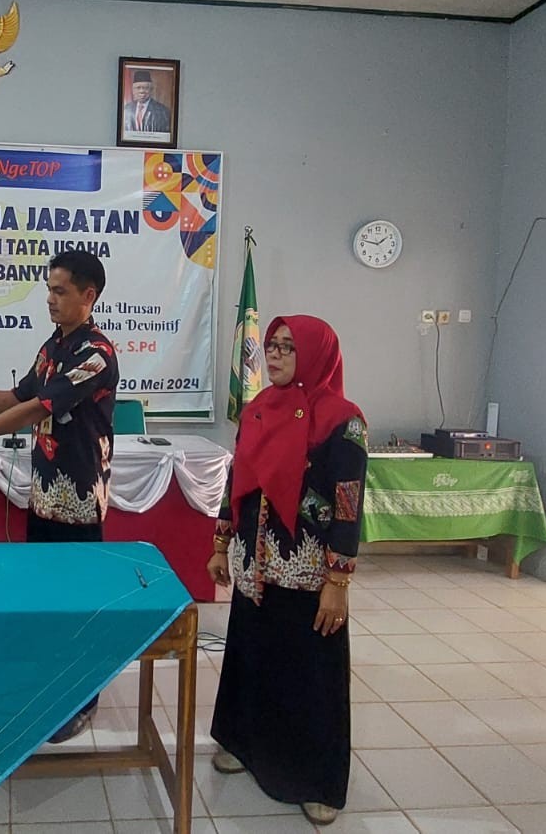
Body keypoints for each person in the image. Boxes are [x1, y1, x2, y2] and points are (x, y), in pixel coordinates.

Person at [0, 249, 119, 743]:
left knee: (78, 602)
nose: (50, 300)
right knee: (45, 597)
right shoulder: (54, 345)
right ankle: (49, 684)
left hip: (78, 500)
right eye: (48, 290)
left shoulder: (96, 354)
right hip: (45, 494)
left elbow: (37, 410)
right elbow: (15, 400)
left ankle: (83, 699)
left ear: (88, 295)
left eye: (60, 291)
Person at [207, 315, 367, 827]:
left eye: (287, 348)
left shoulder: (343, 422)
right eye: (271, 346)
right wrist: (220, 544)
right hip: (254, 566)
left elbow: (348, 505)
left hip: (307, 573)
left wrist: (338, 582)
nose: (273, 356)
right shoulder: (257, 408)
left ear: (316, 355)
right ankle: (244, 745)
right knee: (252, 657)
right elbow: (236, 478)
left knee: (309, 674)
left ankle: (316, 780)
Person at [122, 69, 171, 134]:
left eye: (146, 88)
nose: (142, 91)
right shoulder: (126, 109)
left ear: (151, 90)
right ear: (133, 90)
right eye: (138, 88)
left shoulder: (163, 111)